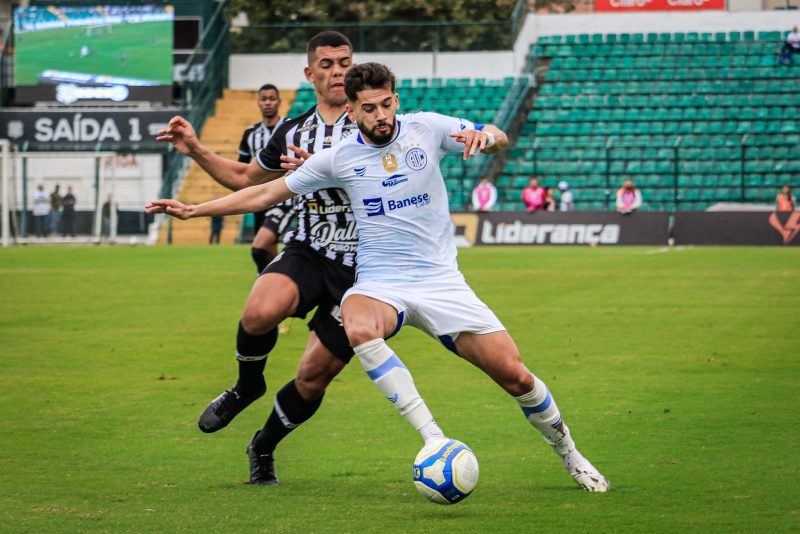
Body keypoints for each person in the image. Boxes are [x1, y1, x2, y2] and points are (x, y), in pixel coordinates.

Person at [148, 62, 611, 493]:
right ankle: (433, 439)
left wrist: (486, 138)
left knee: (517, 378)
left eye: (386, 103)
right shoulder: (339, 157)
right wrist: (194, 209)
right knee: (358, 323)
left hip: (440, 281)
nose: (381, 115)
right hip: (379, 281)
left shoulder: (425, 128)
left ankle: (569, 453)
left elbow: (497, 133)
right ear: (351, 110)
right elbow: (265, 191)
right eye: (368, 108)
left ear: (395, 99)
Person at [155, 31, 360, 486]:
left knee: (312, 378)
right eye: (326, 64)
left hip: (365, 270)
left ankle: (263, 446)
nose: (337, 71)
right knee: (259, 311)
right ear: (310, 74)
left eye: (344, 61)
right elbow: (249, 179)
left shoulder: (376, 123)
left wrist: (327, 168)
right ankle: (247, 385)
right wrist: (196, 150)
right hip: (309, 249)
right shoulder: (292, 131)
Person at [238, 84, 292, 274]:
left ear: (279, 101)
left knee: (260, 247)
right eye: (264, 99)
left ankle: (268, 279)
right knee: (266, 249)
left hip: (285, 198)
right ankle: (272, 281)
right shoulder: (250, 134)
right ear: (258, 103)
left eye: (272, 98)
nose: (268, 102)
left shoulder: (290, 127)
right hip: (259, 199)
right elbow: (242, 169)